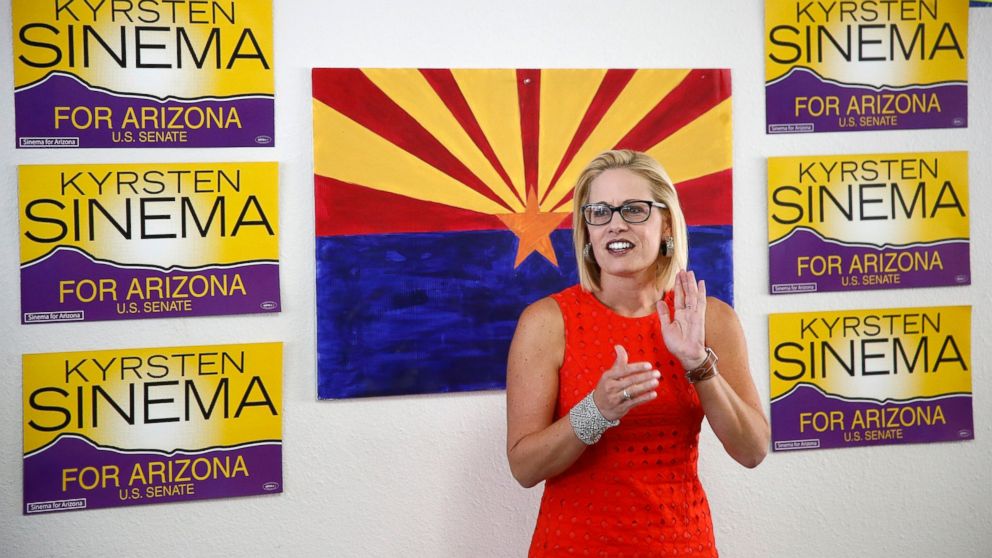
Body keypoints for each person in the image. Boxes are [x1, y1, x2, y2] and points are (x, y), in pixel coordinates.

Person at [505, 149, 769, 557]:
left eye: (634, 209)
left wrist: (698, 363)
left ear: (666, 223)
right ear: (587, 230)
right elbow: (524, 468)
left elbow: (752, 451)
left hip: (683, 546)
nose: (615, 224)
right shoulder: (547, 321)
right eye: (600, 212)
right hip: (572, 547)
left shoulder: (710, 318)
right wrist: (596, 411)